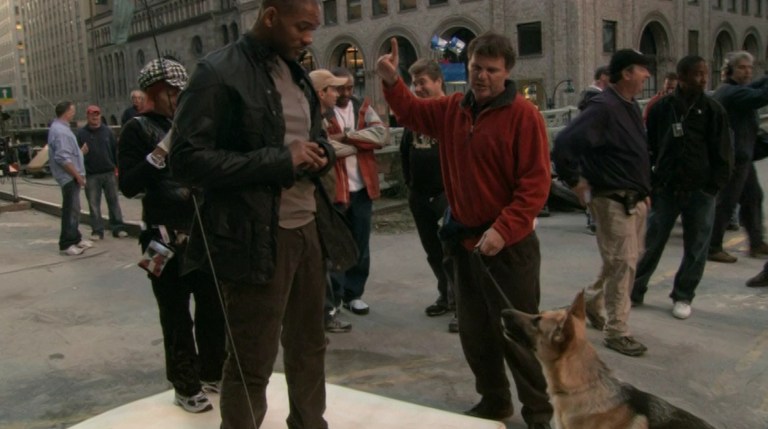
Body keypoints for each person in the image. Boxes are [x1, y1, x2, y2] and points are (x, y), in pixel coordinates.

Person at [169, 1, 357, 427]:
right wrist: (278, 161)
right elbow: (185, 160)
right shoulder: (216, 72)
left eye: (314, 28)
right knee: (252, 357)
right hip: (253, 237)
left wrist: (321, 154)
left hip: (308, 227)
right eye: (302, 27)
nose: (310, 37)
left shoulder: (296, 73)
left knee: (310, 345)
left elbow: (309, 140)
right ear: (270, 16)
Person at [377, 33, 554, 429]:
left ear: (507, 73)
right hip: (465, 242)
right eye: (476, 67)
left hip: (509, 247)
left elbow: (535, 185)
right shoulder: (453, 109)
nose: (482, 76)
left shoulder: (524, 116)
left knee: (520, 336)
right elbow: (410, 112)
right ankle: (494, 401)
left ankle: (539, 414)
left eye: (492, 70)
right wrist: (391, 81)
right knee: (476, 333)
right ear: (467, 65)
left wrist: (503, 229)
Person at [118, 58, 226, 414]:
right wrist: (163, 148)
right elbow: (129, 184)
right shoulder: (136, 129)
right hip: (160, 239)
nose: (178, 98)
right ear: (153, 93)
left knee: (214, 307)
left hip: (201, 232)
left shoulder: (193, 125)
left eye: (182, 92)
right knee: (175, 314)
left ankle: (212, 371)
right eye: (171, 92)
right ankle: (185, 383)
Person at [553, 49, 652, 357]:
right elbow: (564, 144)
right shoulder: (603, 108)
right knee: (624, 263)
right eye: (642, 70)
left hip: (635, 200)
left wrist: (645, 189)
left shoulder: (630, 106)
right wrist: (575, 182)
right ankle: (617, 330)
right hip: (613, 200)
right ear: (626, 74)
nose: (647, 75)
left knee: (621, 261)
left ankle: (591, 304)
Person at [630, 56, 732, 320]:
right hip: (666, 189)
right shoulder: (662, 108)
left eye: (705, 74)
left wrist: (713, 187)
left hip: (701, 191)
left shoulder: (713, 110)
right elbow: (649, 148)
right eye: (697, 74)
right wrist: (651, 182)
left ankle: (683, 295)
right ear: (682, 77)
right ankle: (634, 290)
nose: (703, 79)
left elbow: (723, 152)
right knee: (652, 243)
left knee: (697, 246)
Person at [400, 59, 457, 333]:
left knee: (453, 253)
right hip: (420, 195)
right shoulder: (416, 117)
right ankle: (445, 294)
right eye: (414, 83)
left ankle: (462, 306)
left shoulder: (452, 113)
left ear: (438, 82)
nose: (418, 88)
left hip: (447, 194)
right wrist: (411, 186)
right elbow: (404, 153)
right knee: (433, 252)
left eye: (423, 82)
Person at [328, 67, 390, 316]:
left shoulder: (362, 106)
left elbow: (380, 135)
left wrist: (346, 138)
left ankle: (355, 294)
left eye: (350, 87)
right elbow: (326, 145)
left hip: (363, 187)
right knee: (337, 245)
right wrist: (357, 142)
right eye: (341, 87)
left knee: (361, 243)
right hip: (337, 189)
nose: (346, 92)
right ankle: (335, 297)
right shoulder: (324, 110)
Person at [708, 51, 768, 263]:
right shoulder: (731, 93)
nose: (747, 72)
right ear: (730, 70)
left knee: (753, 198)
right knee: (726, 202)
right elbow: (760, 96)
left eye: (750, 68)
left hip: (742, 157)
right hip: (732, 159)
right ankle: (712, 246)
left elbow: (754, 87)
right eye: (742, 67)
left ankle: (756, 242)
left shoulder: (733, 90)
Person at [309, 68, 355, 334]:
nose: (338, 93)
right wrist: (347, 144)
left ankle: (327, 310)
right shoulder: (312, 121)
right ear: (320, 93)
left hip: (325, 198)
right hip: (317, 201)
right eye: (334, 89)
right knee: (320, 260)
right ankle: (325, 313)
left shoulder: (319, 118)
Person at [48, 101, 94, 256]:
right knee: (70, 209)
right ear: (66, 112)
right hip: (69, 177)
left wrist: (80, 152)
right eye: (72, 110)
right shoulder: (60, 131)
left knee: (75, 209)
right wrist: (77, 175)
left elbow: (68, 153)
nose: (74, 113)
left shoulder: (61, 129)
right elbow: (62, 157)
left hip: (71, 175)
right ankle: (66, 244)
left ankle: (75, 238)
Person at [76, 105, 128, 240]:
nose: (95, 117)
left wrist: (118, 169)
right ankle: (97, 231)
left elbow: (114, 150)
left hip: (109, 172)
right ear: (87, 116)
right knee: (94, 205)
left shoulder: (108, 132)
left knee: (114, 202)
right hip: (91, 174)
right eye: (92, 115)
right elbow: (76, 155)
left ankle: (118, 228)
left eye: (97, 114)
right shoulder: (81, 134)